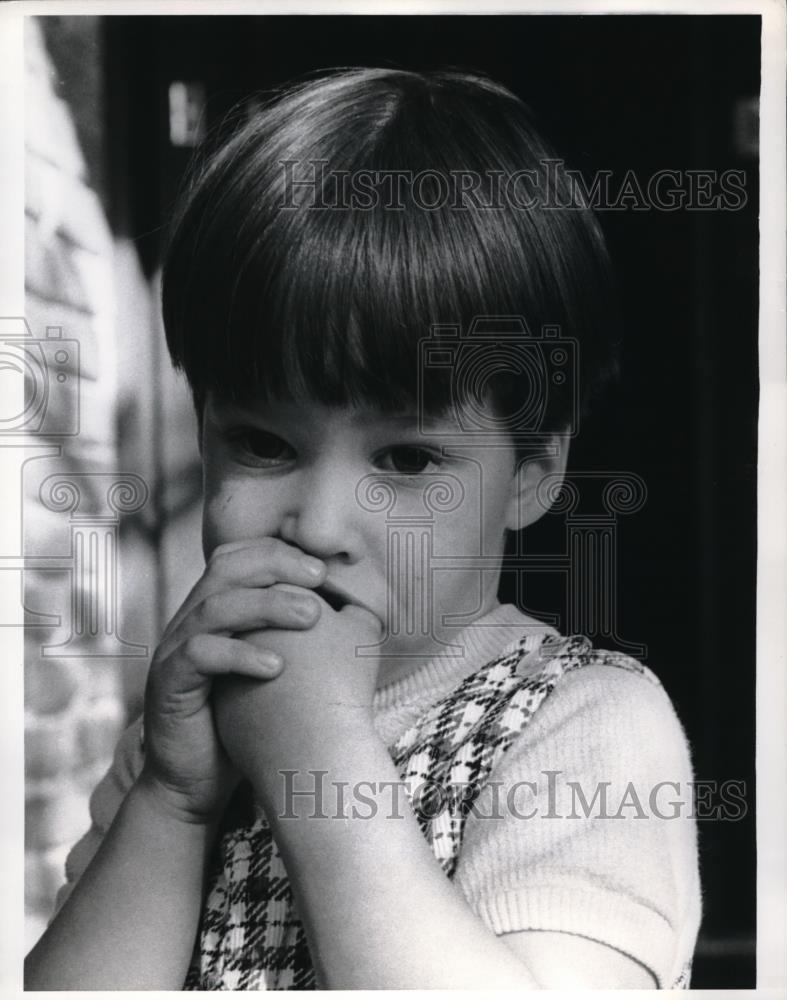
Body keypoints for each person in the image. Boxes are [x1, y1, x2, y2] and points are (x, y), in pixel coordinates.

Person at [25, 67, 701, 990]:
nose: (320, 523)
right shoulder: (182, 740)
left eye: (406, 459)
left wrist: (319, 761)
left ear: (530, 477)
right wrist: (173, 805)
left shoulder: (584, 728)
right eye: (262, 442)